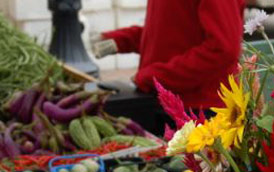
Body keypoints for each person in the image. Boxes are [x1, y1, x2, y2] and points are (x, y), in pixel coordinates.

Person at [100, 0, 245, 110]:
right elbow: (170, 30)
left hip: (203, 110)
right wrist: (116, 41)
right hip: (169, 102)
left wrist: (153, 77)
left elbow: (223, 49)